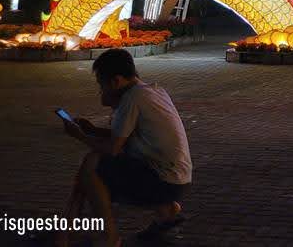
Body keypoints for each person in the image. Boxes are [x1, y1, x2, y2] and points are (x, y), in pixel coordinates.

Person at [58, 48, 192, 246]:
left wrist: (79, 135)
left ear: (116, 81)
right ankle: (66, 230)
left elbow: (113, 148)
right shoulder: (153, 90)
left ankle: (107, 237)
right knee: (92, 164)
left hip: (163, 182)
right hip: (178, 180)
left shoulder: (132, 99)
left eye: (101, 84)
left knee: (91, 166)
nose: (101, 90)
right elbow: (127, 135)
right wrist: (93, 129)